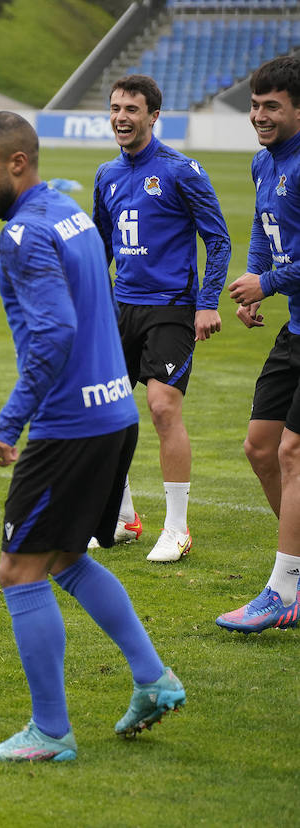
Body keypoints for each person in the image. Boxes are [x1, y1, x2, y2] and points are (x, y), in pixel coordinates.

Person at [0, 111, 184, 762]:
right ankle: (153, 679)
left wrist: (9, 424)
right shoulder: (65, 208)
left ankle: (50, 733)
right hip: (113, 412)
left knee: (19, 569)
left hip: (70, 426)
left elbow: (53, 335)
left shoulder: (24, 235)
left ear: (17, 165)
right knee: (63, 560)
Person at [90, 74, 231, 563]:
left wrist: (208, 302)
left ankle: (177, 528)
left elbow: (219, 239)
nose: (121, 117)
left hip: (171, 307)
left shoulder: (180, 170)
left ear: (153, 116)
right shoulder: (106, 174)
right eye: (115, 108)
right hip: (120, 308)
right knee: (105, 410)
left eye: (131, 109)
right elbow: (101, 246)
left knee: (161, 406)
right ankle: (124, 518)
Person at [217, 55, 300, 633]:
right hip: (294, 327)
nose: (259, 116)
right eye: (254, 106)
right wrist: (254, 287)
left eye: (272, 106)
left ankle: (283, 589)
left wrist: (267, 282)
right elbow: (263, 229)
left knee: (294, 451)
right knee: (260, 447)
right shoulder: (263, 164)